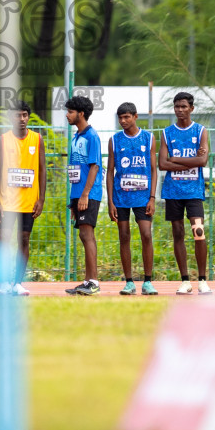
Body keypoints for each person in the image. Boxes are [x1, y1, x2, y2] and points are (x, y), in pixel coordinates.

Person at [158, 91, 212, 295]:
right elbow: (162, 164)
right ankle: (185, 280)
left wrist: (174, 160)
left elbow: (202, 162)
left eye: (183, 106)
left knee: (198, 232)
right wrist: (174, 162)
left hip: (194, 191)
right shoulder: (167, 133)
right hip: (173, 191)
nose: (180, 110)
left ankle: (202, 280)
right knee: (178, 234)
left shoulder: (200, 131)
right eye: (176, 106)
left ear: (191, 108)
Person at [0, 98, 45, 295]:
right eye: (17, 115)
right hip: (7, 202)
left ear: (28, 118)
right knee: (4, 241)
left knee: (24, 239)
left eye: (24, 115)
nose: (21, 119)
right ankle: (4, 283)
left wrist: (41, 199)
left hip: (28, 201)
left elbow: (42, 170)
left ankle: (17, 283)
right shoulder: (2, 140)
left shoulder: (37, 139)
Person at [107, 102, 156, 296]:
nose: (123, 121)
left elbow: (153, 169)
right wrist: (110, 201)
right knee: (124, 236)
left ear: (135, 116)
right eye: (120, 118)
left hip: (143, 197)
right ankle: (129, 282)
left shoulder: (149, 138)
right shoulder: (114, 140)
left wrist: (152, 197)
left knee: (146, 234)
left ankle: (148, 281)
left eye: (126, 117)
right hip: (121, 197)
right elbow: (110, 171)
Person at [63, 94, 102, 296]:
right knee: (82, 234)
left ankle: (93, 281)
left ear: (81, 113)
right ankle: (87, 281)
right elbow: (74, 170)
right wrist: (73, 200)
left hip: (90, 193)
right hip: (78, 194)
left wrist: (86, 194)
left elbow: (94, 167)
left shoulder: (91, 136)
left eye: (70, 111)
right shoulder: (76, 137)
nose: (67, 115)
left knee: (88, 234)